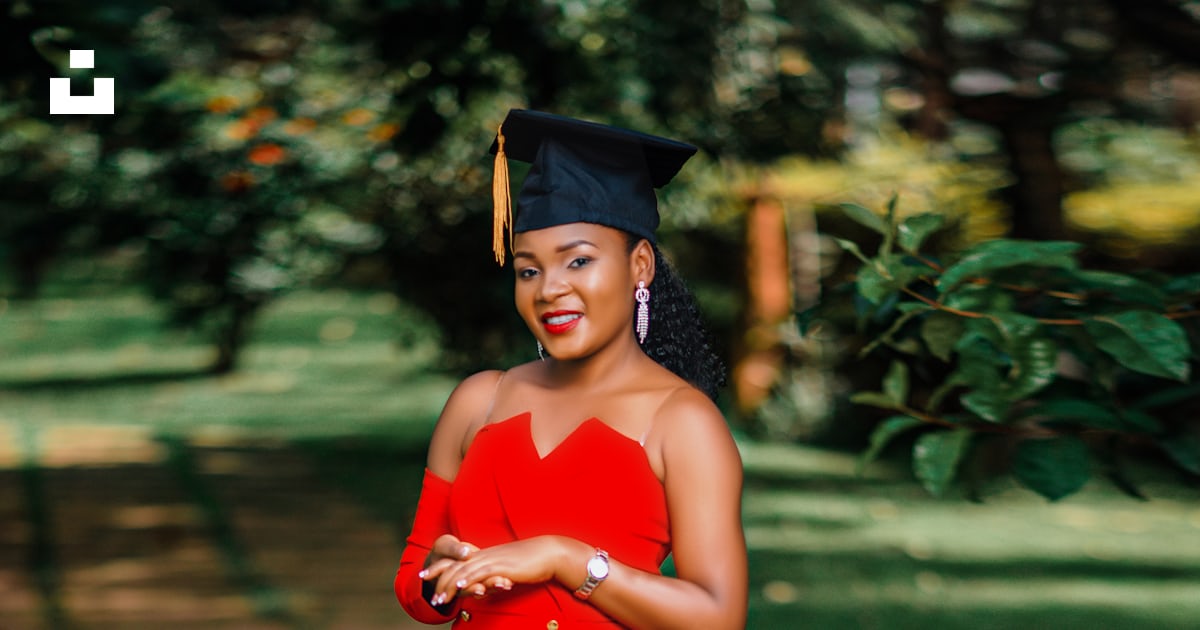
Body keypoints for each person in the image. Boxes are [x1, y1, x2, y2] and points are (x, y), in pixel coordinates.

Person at [394, 109, 747, 629]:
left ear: (640, 265)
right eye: (528, 270)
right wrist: (440, 575)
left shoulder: (683, 422)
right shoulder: (479, 399)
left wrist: (568, 560)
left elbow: (717, 618)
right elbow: (413, 586)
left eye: (578, 260)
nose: (549, 288)